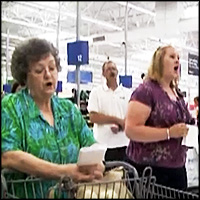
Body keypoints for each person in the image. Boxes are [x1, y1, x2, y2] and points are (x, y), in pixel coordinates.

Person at [1, 38, 104, 198]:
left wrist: (97, 165)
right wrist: (63, 172)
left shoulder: (69, 110)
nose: (48, 74)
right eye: (39, 70)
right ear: (25, 77)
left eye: (52, 68)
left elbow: (91, 144)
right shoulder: (12, 107)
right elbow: (8, 155)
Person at [125, 45, 195, 191]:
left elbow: (187, 124)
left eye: (178, 58)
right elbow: (131, 130)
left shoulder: (177, 94)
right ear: (159, 61)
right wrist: (169, 133)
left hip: (177, 170)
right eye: (172, 57)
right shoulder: (146, 91)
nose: (177, 60)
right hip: (150, 172)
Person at [87, 60, 131, 162]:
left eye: (114, 69)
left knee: (126, 175)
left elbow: (132, 116)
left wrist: (121, 126)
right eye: (108, 69)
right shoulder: (96, 92)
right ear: (103, 73)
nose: (112, 71)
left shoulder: (127, 93)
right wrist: (116, 120)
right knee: (108, 176)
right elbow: (93, 117)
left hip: (125, 144)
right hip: (104, 146)